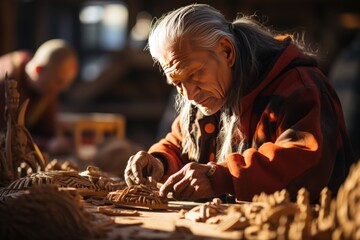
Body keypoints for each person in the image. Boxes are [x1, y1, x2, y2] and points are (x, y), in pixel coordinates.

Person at [124, 4, 355, 202]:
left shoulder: (298, 87)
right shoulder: (210, 91)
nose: (189, 95)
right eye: (176, 82)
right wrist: (159, 161)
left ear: (227, 51)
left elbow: (304, 157)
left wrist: (221, 177)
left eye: (193, 75)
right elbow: (181, 142)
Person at [0, 39, 79, 154]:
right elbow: (5, 135)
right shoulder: (6, 80)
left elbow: (47, 130)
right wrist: (47, 144)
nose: (62, 89)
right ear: (38, 70)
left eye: (66, 83)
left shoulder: (45, 88)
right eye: (59, 81)